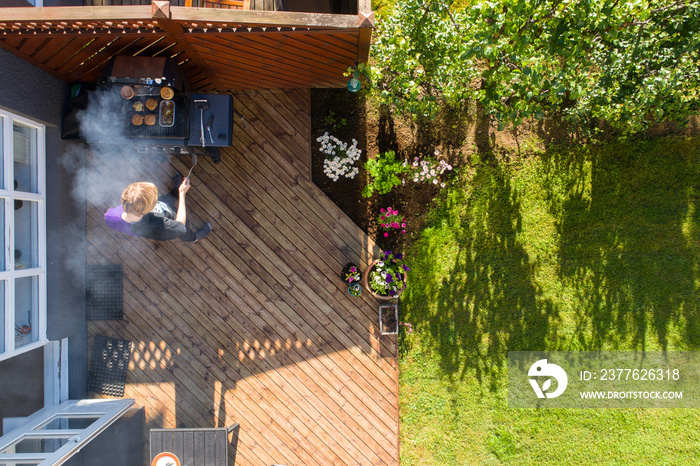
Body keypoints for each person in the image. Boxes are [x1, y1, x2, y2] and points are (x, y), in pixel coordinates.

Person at [104, 173, 212, 242]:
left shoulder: (112, 215)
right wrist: (182, 194)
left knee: (165, 200)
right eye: (154, 200)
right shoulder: (157, 224)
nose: (156, 198)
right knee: (184, 232)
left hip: (157, 209)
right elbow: (180, 226)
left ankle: (175, 191)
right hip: (173, 226)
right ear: (147, 210)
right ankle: (193, 238)